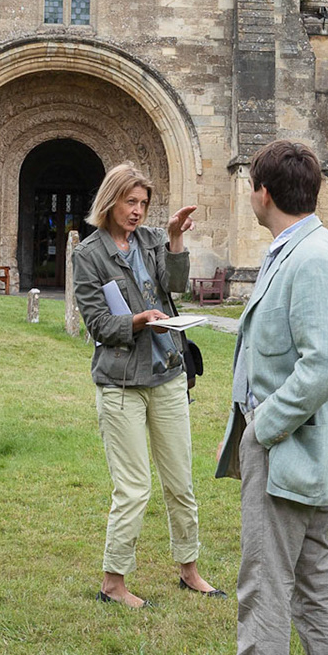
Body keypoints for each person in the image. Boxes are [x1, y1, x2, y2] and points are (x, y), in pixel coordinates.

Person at [183, 139, 328, 655]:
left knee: (265, 583)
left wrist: (264, 425)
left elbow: (325, 365)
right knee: (313, 577)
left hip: (291, 447)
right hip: (300, 448)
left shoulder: (310, 256)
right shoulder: (299, 248)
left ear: (262, 193)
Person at [70, 162, 220, 608]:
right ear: (110, 200)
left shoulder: (152, 240)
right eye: (129, 201)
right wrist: (138, 321)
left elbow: (177, 288)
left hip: (168, 374)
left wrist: (174, 238)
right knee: (134, 487)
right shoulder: (89, 254)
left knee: (180, 482)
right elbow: (97, 323)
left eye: (143, 203)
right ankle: (113, 582)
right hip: (121, 382)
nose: (137, 211)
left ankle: (189, 569)